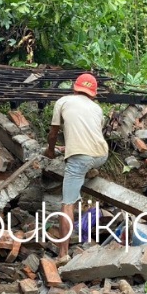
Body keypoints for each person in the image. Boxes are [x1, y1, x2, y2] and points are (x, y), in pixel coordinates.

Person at [45, 73, 109, 263]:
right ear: (93, 93)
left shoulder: (63, 102)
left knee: (67, 204)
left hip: (80, 159)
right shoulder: (97, 109)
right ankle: (90, 169)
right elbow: (91, 134)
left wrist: (50, 150)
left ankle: (63, 254)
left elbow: (53, 133)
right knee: (86, 162)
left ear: (75, 88)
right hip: (101, 156)